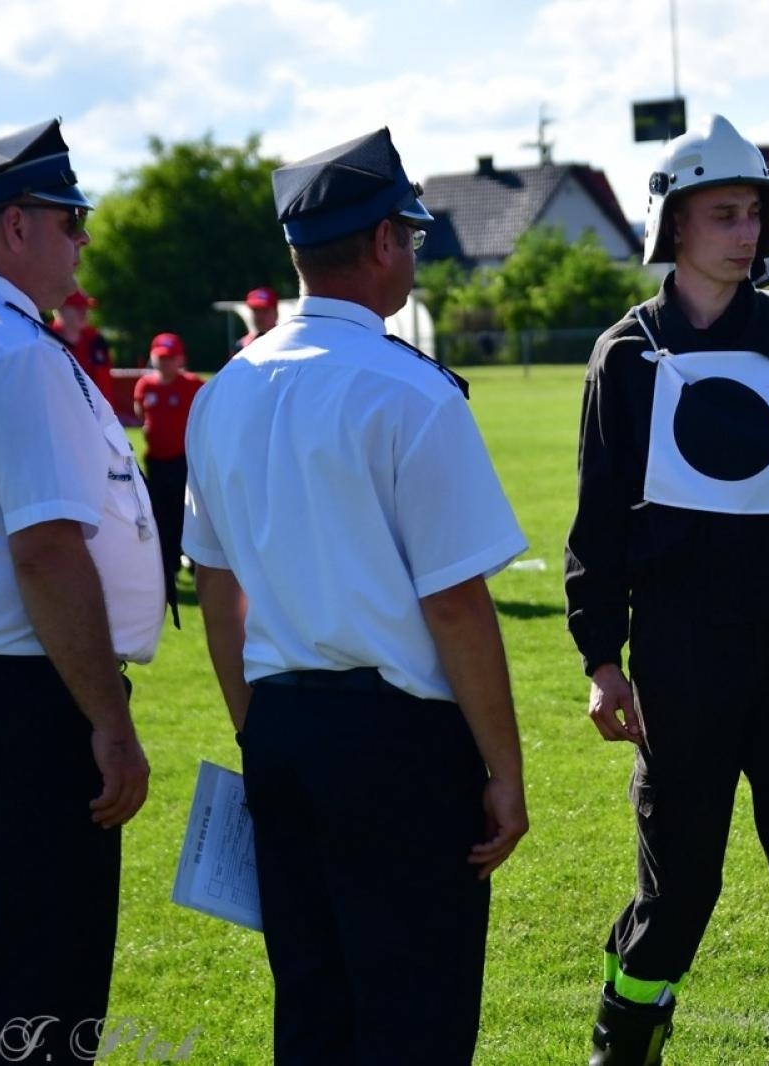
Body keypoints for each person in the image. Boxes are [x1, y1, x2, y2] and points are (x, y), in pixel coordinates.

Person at [182, 127, 530, 1065]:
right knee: (414, 1014)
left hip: (284, 729)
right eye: (410, 236)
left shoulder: (224, 392)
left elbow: (217, 588)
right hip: (400, 745)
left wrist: (255, 724)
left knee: (313, 1007)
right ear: (383, 242)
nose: (413, 253)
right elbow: (454, 604)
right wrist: (503, 766)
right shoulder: (411, 394)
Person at [565, 114, 769, 1065]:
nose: (746, 232)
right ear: (674, 226)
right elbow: (596, 524)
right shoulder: (625, 355)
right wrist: (601, 658)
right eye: (723, 214)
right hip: (679, 658)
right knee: (679, 885)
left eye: (755, 212)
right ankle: (621, 1044)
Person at [0, 119, 159, 1063]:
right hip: (24, 699)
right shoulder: (11, 351)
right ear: (17, 226)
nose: (86, 238)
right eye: (72, 219)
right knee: (43, 980)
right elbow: (49, 552)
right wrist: (108, 720)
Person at [132, 331, 202, 609]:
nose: (164, 364)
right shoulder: (145, 386)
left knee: (188, 512)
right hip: (156, 461)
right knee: (160, 514)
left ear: (180, 359)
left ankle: (195, 562)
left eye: (169, 359)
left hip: (184, 460)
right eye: (160, 358)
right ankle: (168, 564)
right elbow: (140, 413)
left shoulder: (193, 385)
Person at [51, 287, 116, 399]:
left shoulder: (96, 340)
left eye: (86, 307)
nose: (84, 312)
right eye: (77, 307)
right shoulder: (45, 338)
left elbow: (104, 387)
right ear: (60, 309)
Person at [233, 285, 278, 353]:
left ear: (276, 313)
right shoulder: (242, 346)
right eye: (255, 311)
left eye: (264, 311)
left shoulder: (287, 342)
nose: (259, 316)